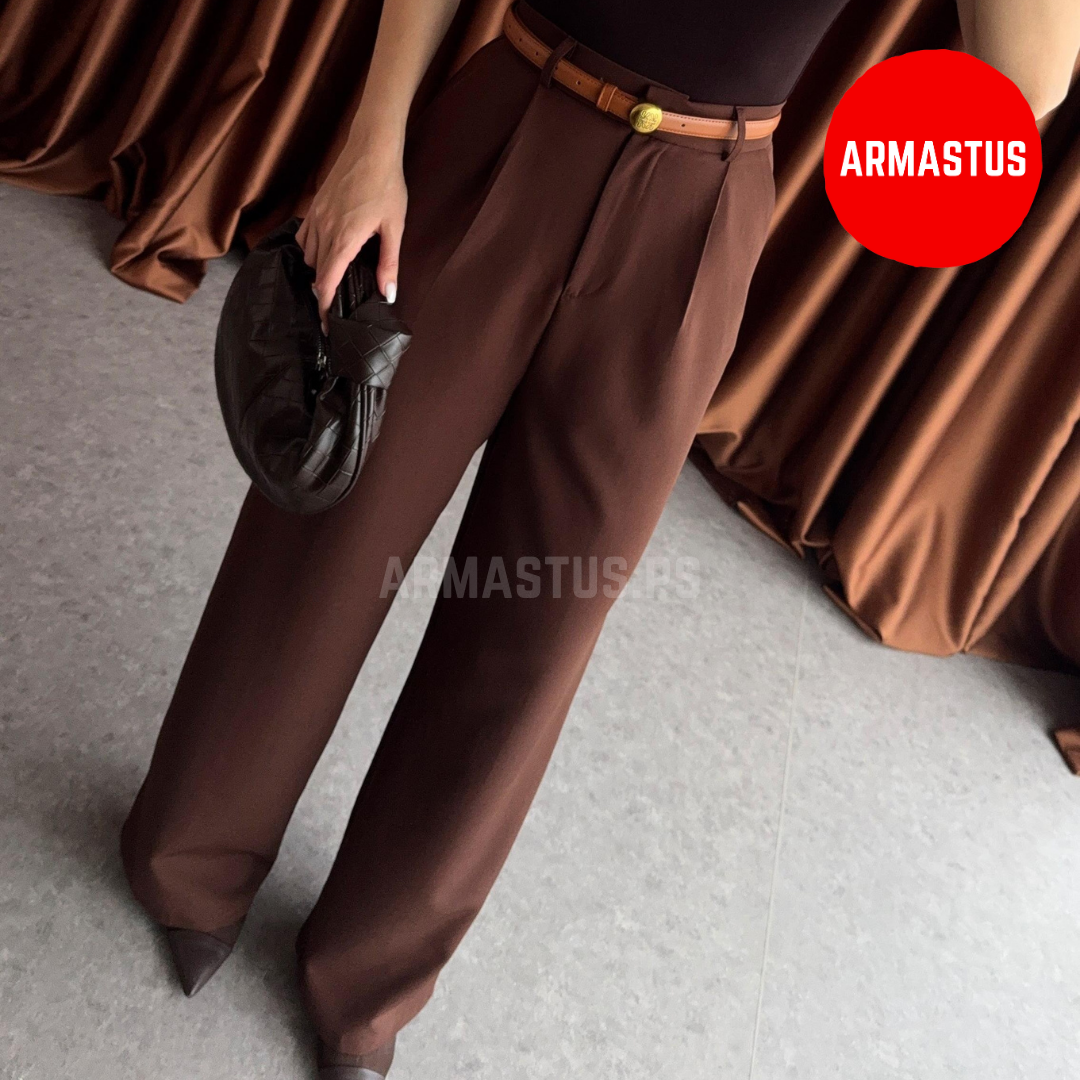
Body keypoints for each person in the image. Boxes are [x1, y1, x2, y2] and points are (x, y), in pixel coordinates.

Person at [118, 1, 1080, 1076]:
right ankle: (190, 859)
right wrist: (370, 145)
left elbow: (1026, 77)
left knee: (541, 614)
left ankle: (369, 979)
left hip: (702, 205)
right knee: (337, 519)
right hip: (508, 123)